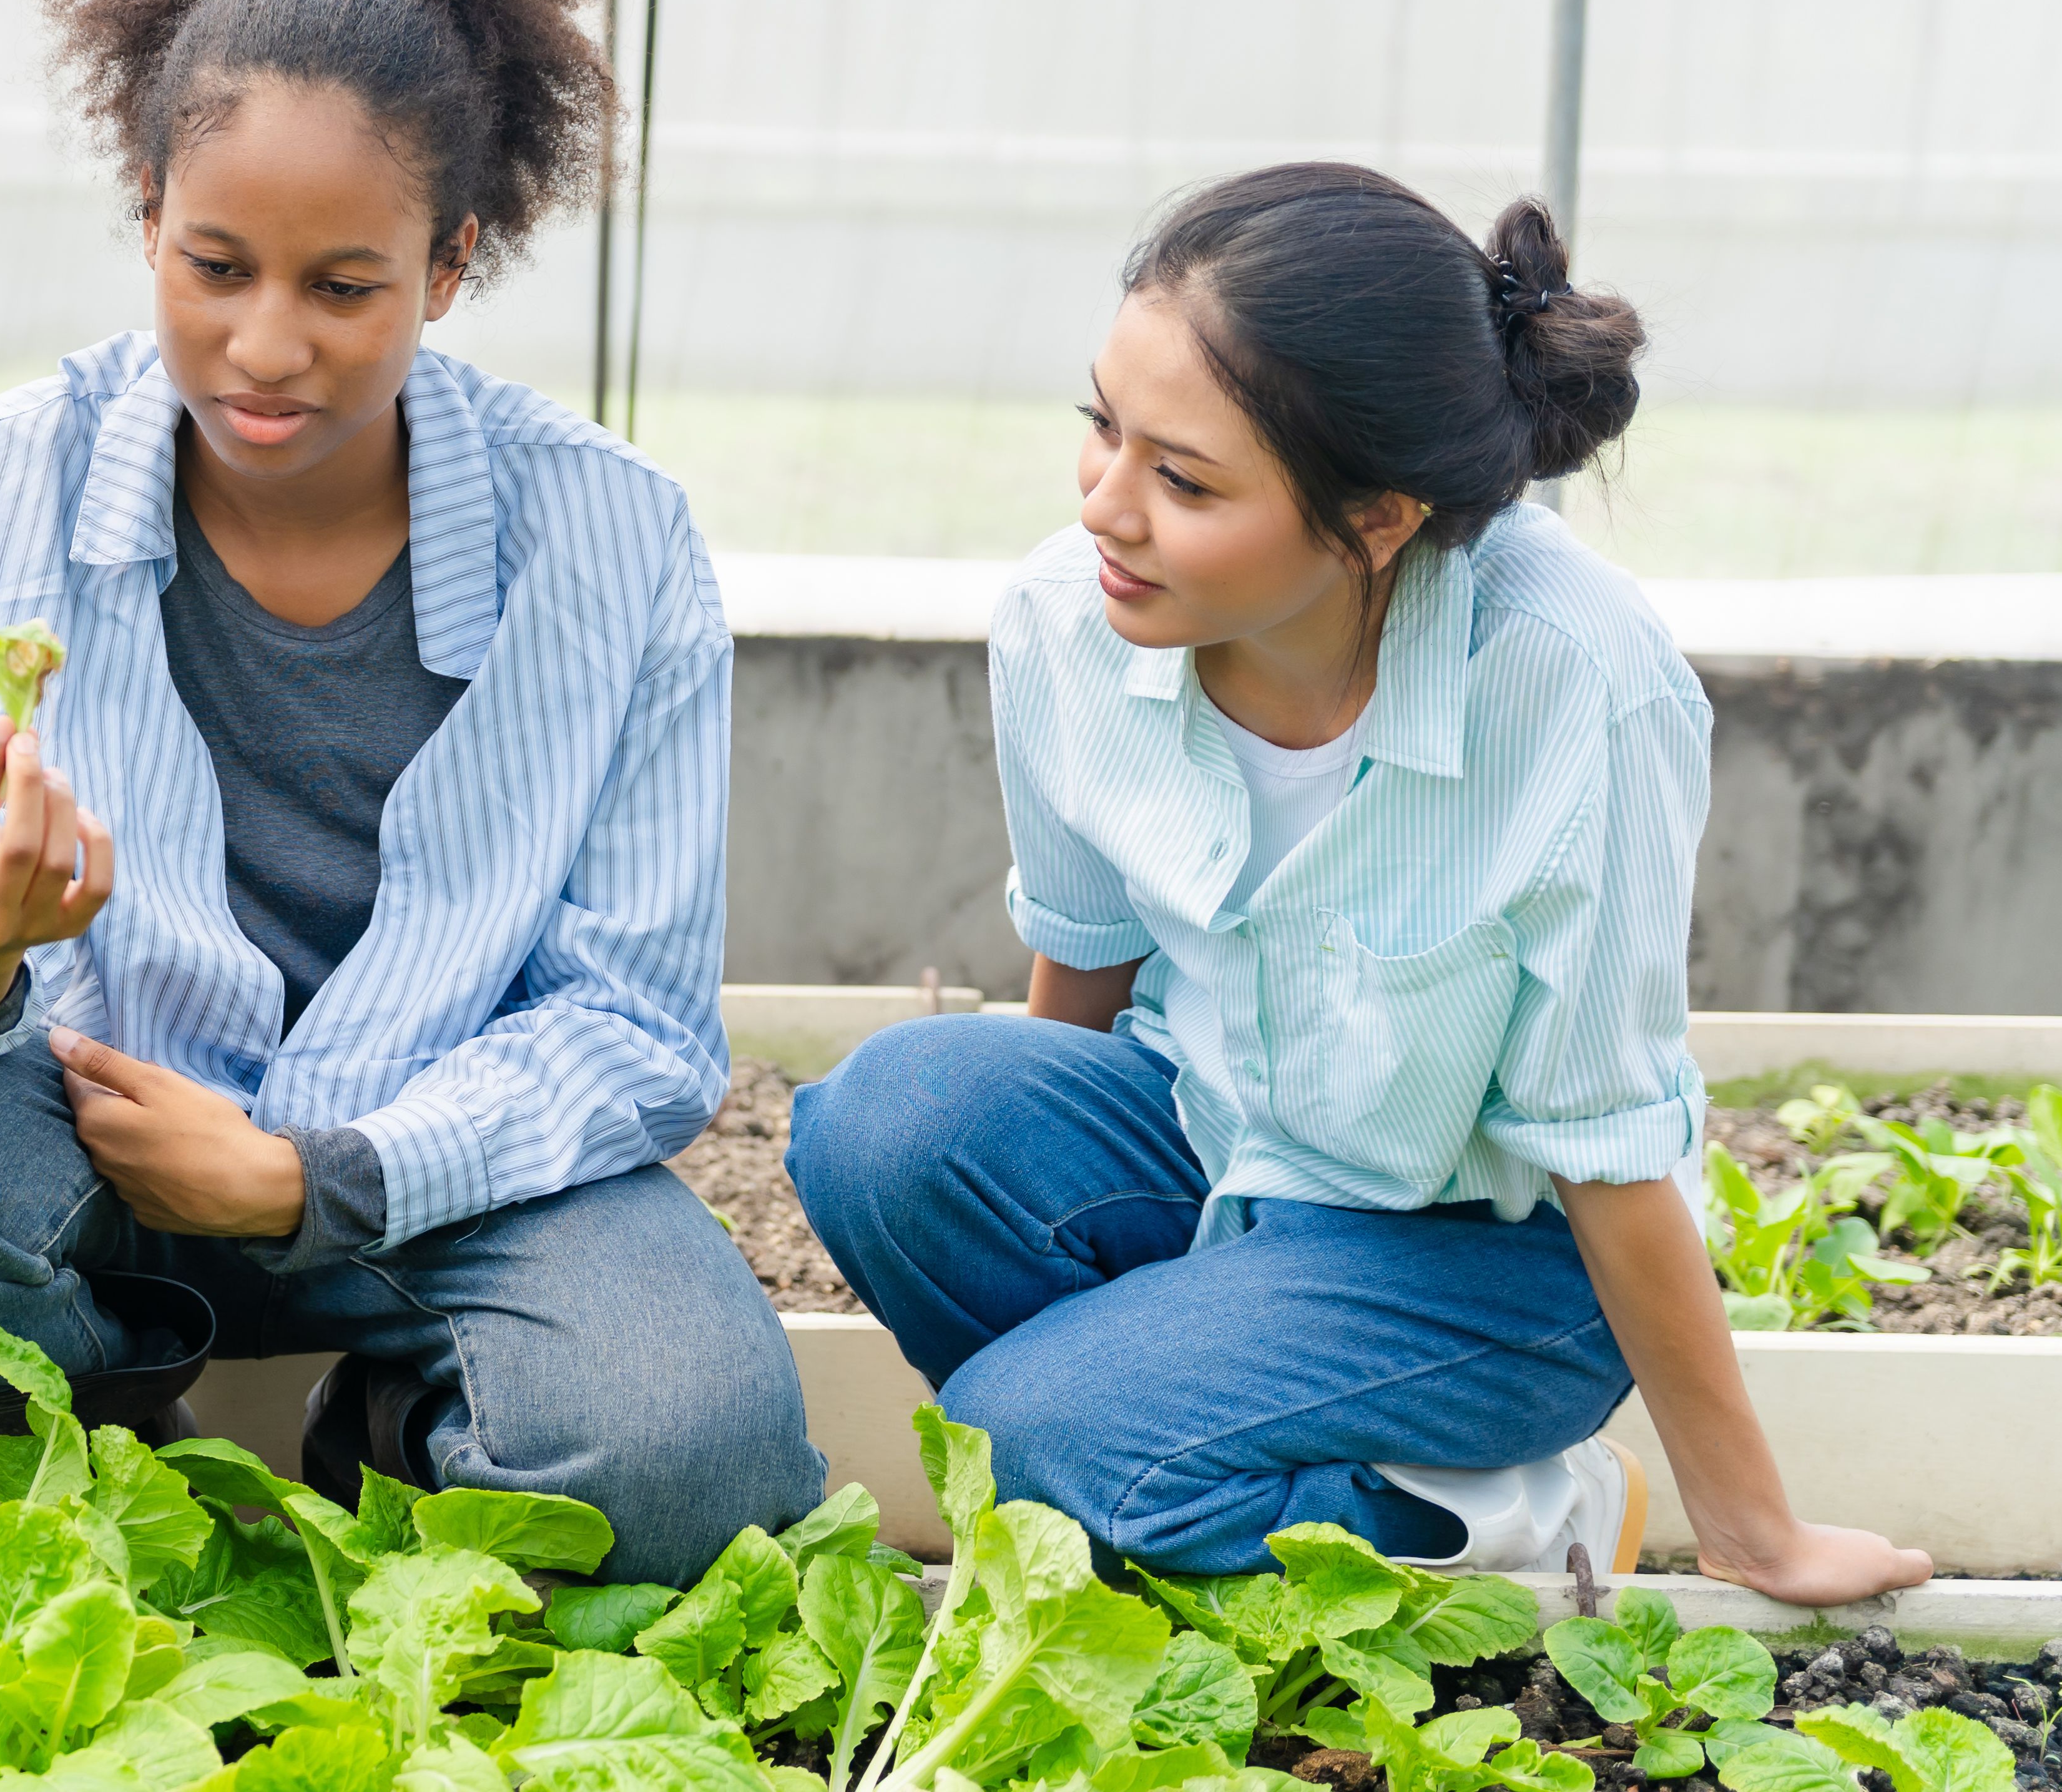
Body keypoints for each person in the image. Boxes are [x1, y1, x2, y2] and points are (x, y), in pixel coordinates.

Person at [0, 0, 825, 1584]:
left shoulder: (610, 542)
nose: (263, 349)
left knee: (695, 1454)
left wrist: (321, 1176)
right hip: (86, 1133)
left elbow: (632, 1021)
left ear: (451, 266)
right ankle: (124, 1486)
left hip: (444, 1167)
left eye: (344, 287)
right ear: (149, 205)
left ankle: (384, 1440)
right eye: (214, 264)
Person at [785, 163, 1930, 1598]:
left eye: (1183, 478)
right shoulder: (1063, 625)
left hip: (1492, 1262)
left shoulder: (1571, 679)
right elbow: (1081, 964)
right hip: (1222, 1142)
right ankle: (1156, 1452)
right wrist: (1008, 1214)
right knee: (887, 1121)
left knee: (1029, 1445)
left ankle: (1517, 1506)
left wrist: (1752, 1524)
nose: (1104, 508)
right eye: (1101, 428)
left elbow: (1607, 1134)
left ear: (1377, 518)